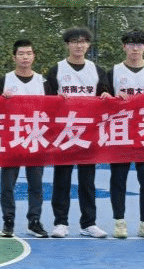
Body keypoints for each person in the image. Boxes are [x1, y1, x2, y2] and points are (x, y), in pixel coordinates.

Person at [45, 26, 109, 239]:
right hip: (64, 132)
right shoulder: (56, 70)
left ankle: (89, 223)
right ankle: (60, 222)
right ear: (67, 45)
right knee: (62, 179)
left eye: (83, 41)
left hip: (88, 132)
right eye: (74, 41)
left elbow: (106, 95)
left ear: (88, 45)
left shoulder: (97, 70)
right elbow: (45, 101)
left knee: (87, 180)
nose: (79, 45)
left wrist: (107, 96)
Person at [105, 28, 144, 240]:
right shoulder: (113, 72)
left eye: (139, 44)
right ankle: (119, 222)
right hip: (121, 131)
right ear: (124, 47)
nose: (135, 48)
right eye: (131, 44)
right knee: (118, 179)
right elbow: (103, 100)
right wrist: (110, 97)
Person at [0, 38, 49, 239]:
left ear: (34, 56)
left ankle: (34, 221)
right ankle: (8, 220)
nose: (25, 57)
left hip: (36, 137)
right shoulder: (4, 81)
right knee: (8, 184)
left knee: (36, 184)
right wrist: (0, 101)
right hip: (12, 138)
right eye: (21, 54)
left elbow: (55, 109)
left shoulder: (43, 82)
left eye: (29, 53)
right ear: (14, 57)